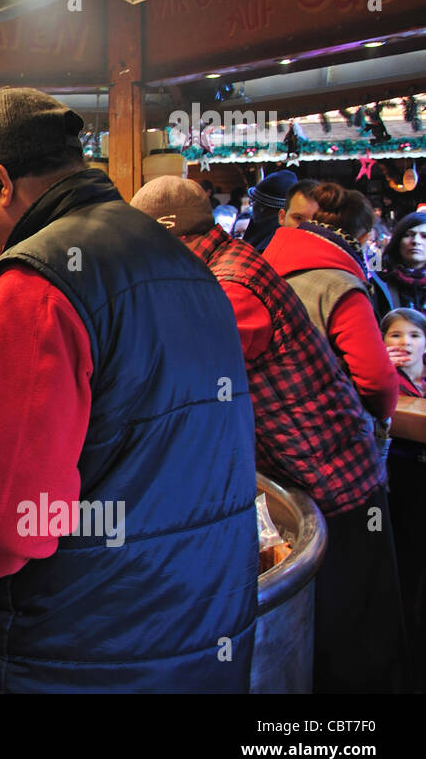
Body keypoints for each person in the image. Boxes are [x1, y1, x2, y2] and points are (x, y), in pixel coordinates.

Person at [0, 88, 258, 693]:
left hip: (82, 657)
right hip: (204, 634)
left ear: (0, 182)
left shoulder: (36, 285)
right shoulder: (180, 260)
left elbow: (1, 527)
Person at [133, 176, 406, 693]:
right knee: (342, 634)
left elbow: (180, 380)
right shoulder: (222, 266)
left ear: (169, 240)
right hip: (319, 474)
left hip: (336, 484)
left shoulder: (230, 289)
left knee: (356, 645)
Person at [263, 183, 398, 437]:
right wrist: (384, 415)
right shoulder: (342, 286)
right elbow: (377, 380)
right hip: (322, 433)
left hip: (265, 426)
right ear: (364, 238)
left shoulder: (267, 266)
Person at [383, 307, 426, 690]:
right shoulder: (383, 380)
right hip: (402, 479)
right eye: (395, 335)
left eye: (413, 335)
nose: (404, 343)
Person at [370, 211, 426, 317]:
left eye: (424, 236)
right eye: (409, 235)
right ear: (398, 240)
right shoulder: (379, 282)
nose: (416, 241)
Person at [242, 169, 297, 251]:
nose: (251, 206)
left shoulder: (266, 243)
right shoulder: (292, 236)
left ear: (262, 208)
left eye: (253, 202)